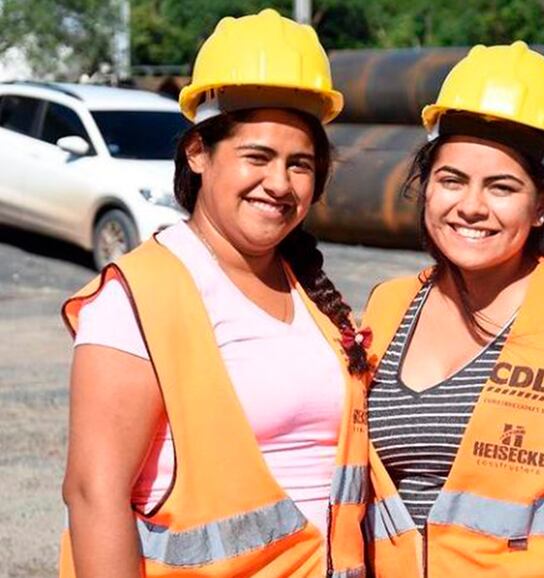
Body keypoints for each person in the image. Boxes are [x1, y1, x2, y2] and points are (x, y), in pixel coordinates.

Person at [58, 10, 369, 577]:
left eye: (300, 164)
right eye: (257, 157)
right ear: (198, 152)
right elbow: (92, 495)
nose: (279, 184)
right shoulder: (139, 297)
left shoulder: (311, 295)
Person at [362, 41, 544, 577]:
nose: (471, 206)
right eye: (452, 180)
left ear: (542, 203)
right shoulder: (387, 307)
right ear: (426, 186)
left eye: (501, 187)